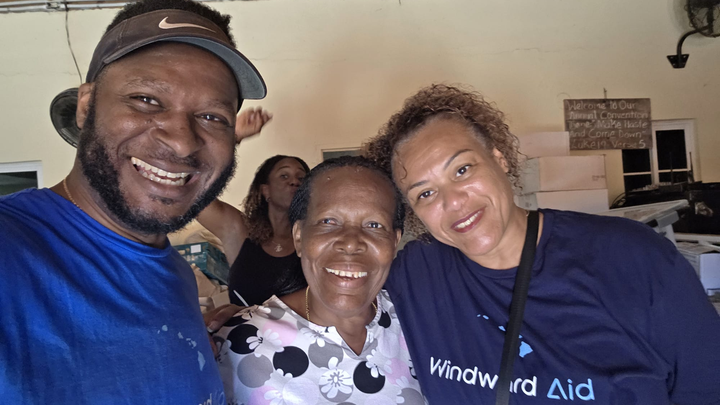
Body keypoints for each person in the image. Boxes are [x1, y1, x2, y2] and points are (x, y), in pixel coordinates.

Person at [362, 84, 720, 404]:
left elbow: (706, 388)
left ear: (499, 160)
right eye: (425, 193)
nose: (453, 201)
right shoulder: (416, 275)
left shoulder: (632, 258)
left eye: (462, 170)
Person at [0, 0, 267, 403]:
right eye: (146, 99)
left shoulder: (177, 274)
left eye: (212, 117)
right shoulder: (10, 251)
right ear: (86, 106)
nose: (182, 141)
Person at [212, 156, 425, 404]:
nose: (351, 243)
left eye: (374, 225)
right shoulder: (238, 342)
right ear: (299, 237)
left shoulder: (418, 325)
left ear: (394, 242)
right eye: (328, 221)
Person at [197, 152, 310, 306]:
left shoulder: (314, 239)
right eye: (284, 176)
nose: (295, 182)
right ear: (265, 190)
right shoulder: (240, 229)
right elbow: (194, 197)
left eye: (301, 178)